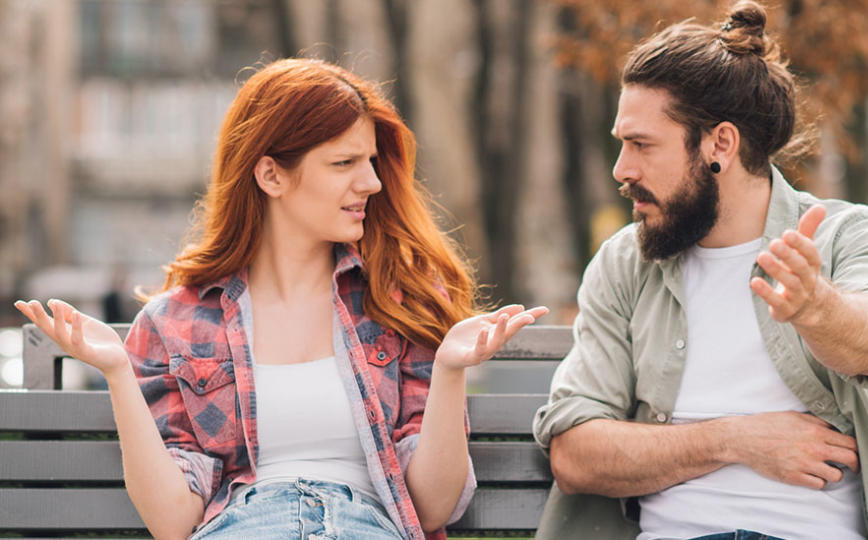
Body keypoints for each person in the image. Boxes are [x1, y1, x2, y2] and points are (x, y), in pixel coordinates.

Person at [16, 58, 547, 540]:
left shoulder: (395, 303)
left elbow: (431, 509)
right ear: (271, 174)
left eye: (370, 161)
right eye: (344, 164)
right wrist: (117, 372)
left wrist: (450, 371)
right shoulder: (175, 323)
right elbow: (174, 520)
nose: (372, 182)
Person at [531, 3, 868, 540]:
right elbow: (575, 455)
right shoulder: (626, 263)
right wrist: (736, 441)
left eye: (641, 145)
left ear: (720, 144)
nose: (621, 170)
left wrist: (816, 307)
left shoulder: (849, 236)